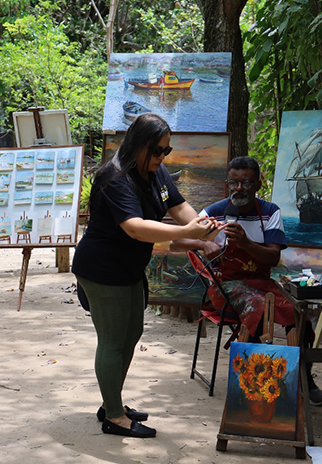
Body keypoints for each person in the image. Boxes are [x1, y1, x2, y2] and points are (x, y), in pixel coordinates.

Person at [72, 114, 222, 438]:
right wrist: (187, 231)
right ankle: (114, 416)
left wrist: (202, 226)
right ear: (139, 145)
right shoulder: (114, 177)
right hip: (101, 270)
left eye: (166, 151)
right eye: (157, 151)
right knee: (113, 340)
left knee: (132, 332)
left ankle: (111, 401)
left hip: (129, 269)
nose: (162, 158)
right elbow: (135, 227)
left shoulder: (156, 173)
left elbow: (179, 206)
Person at [170, 156, 322, 406]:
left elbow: (274, 258)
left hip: (261, 282)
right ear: (227, 184)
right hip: (226, 285)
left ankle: (304, 378)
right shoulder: (214, 213)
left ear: (257, 184)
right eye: (234, 183)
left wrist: (246, 243)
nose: (240, 189)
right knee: (257, 308)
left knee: (298, 314)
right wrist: (204, 242)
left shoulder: (269, 212)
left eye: (246, 183)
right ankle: (256, 382)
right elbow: (175, 242)